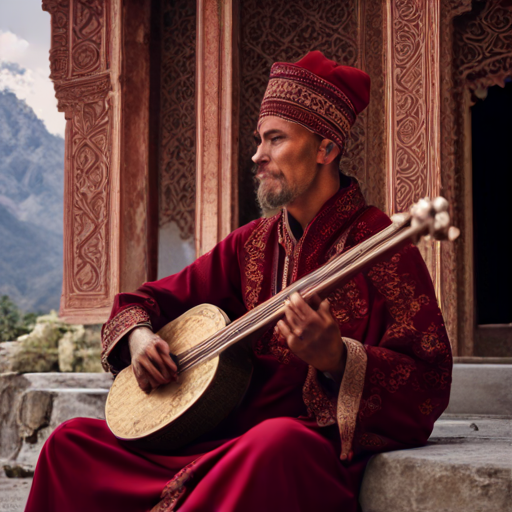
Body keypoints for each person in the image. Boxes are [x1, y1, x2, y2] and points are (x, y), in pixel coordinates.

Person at [25, 51, 452, 512]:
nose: (257, 155)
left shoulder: (386, 248)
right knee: (70, 443)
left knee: (276, 444)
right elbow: (145, 301)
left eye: (275, 140)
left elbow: (428, 380)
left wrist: (336, 359)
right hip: (215, 436)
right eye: (258, 140)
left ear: (326, 149)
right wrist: (140, 338)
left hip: (297, 443)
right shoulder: (251, 244)